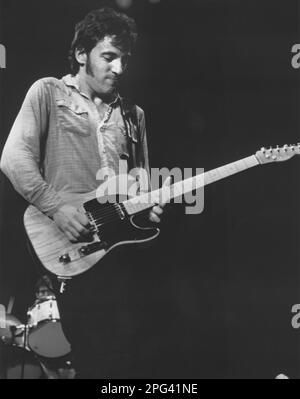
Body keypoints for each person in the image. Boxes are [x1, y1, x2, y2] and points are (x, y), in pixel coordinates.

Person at [0, 7, 169, 378]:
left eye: (124, 59)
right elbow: (14, 159)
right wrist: (56, 206)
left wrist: (148, 208)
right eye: (109, 57)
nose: (119, 68)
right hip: (67, 254)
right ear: (82, 54)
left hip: (121, 259)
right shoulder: (48, 92)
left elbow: (139, 182)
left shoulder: (134, 116)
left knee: (131, 361)